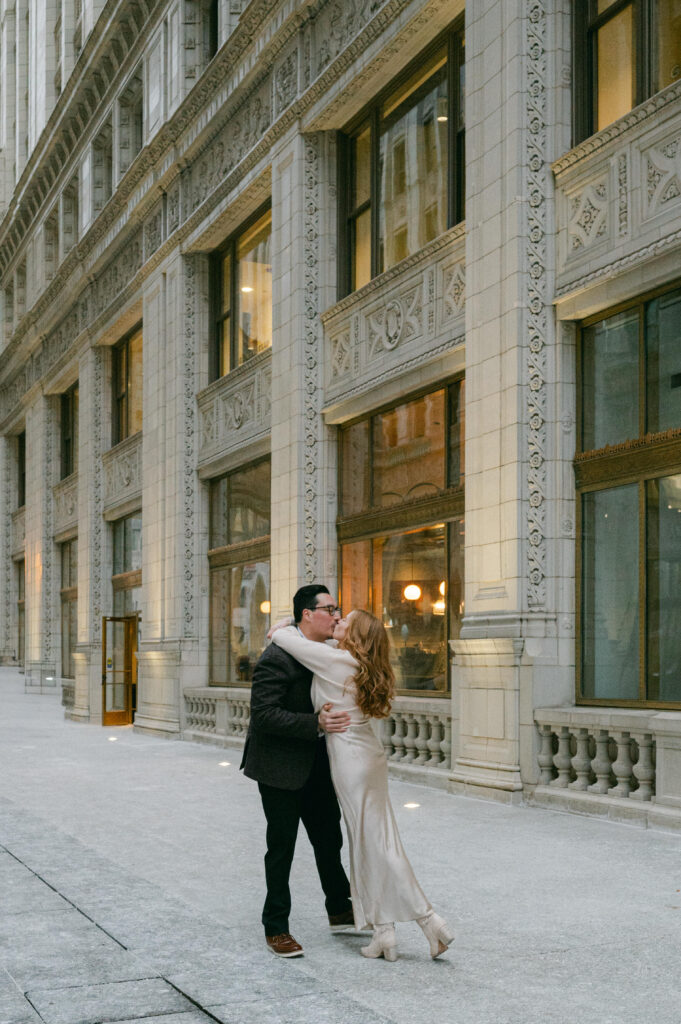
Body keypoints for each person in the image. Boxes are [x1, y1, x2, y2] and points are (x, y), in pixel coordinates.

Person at [270, 609, 454, 962]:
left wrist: (283, 623)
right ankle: (384, 931)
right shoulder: (358, 663)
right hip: (367, 755)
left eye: (344, 622)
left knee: (374, 845)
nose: (336, 622)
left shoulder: (338, 660)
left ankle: (431, 920)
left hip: (351, 760)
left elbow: (284, 639)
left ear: (354, 635)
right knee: (373, 842)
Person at [240, 584, 357, 958]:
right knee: (282, 848)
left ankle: (340, 910)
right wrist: (315, 724)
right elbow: (263, 714)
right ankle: (276, 926)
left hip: (318, 766)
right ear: (307, 614)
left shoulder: (323, 652)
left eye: (338, 609)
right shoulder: (277, 657)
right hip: (278, 768)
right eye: (330, 608)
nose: (337, 615)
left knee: (329, 842)